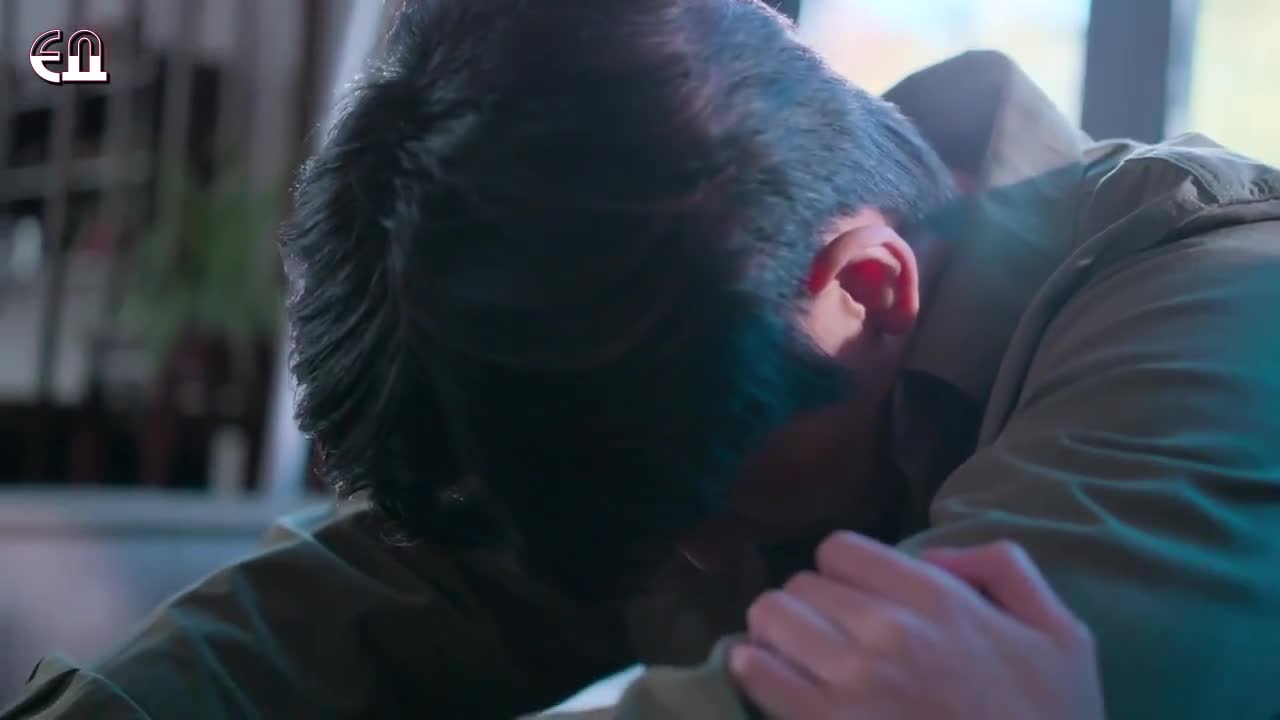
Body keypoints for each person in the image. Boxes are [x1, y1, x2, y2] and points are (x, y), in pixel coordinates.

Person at [5, 0, 1280, 717]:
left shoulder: (1226, 308)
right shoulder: (681, 356)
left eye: (696, 514)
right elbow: (368, 596)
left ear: (864, 290)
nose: (693, 564)